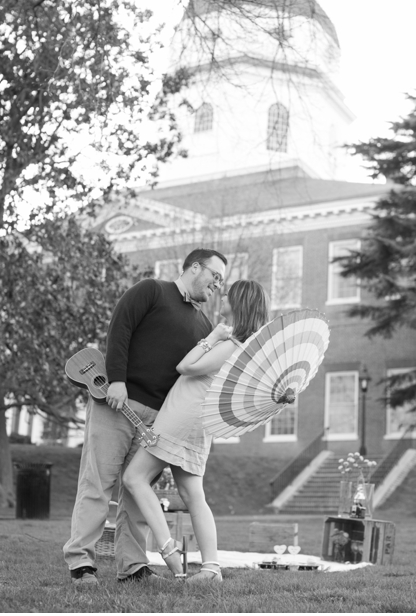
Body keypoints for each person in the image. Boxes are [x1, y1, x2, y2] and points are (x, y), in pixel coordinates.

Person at [63, 249, 226, 586]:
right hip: (117, 402)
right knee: (97, 483)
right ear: (195, 267)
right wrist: (118, 380)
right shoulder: (151, 290)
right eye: (215, 275)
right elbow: (120, 329)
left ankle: (133, 567)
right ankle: (82, 564)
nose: (218, 285)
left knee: (137, 493)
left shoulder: (205, 325)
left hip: (158, 420)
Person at [121, 279, 269, 582]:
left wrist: (211, 337)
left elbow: (186, 367)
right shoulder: (242, 347)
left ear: (240, 304)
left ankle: (168, 551)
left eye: (229, 294)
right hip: (194, 418)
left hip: (183, 416)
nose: (223, 295)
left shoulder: (231, 345)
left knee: (134, 477)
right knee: (192, 494)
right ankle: (211, 569)